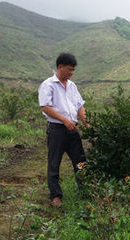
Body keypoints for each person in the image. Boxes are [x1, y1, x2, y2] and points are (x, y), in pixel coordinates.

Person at [38, 53, 89, 207]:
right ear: (60, 67)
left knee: (80, 162)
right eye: (69, 70)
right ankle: (55, 196)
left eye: (73, 70)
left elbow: (79, 106)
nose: (71, 73)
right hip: (57, 130)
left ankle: (85, 191)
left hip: (72, 130)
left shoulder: (72, 86)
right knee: (54, 163)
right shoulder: (48, 85)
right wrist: (64, 120)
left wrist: (87, 123)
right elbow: (45, 107)